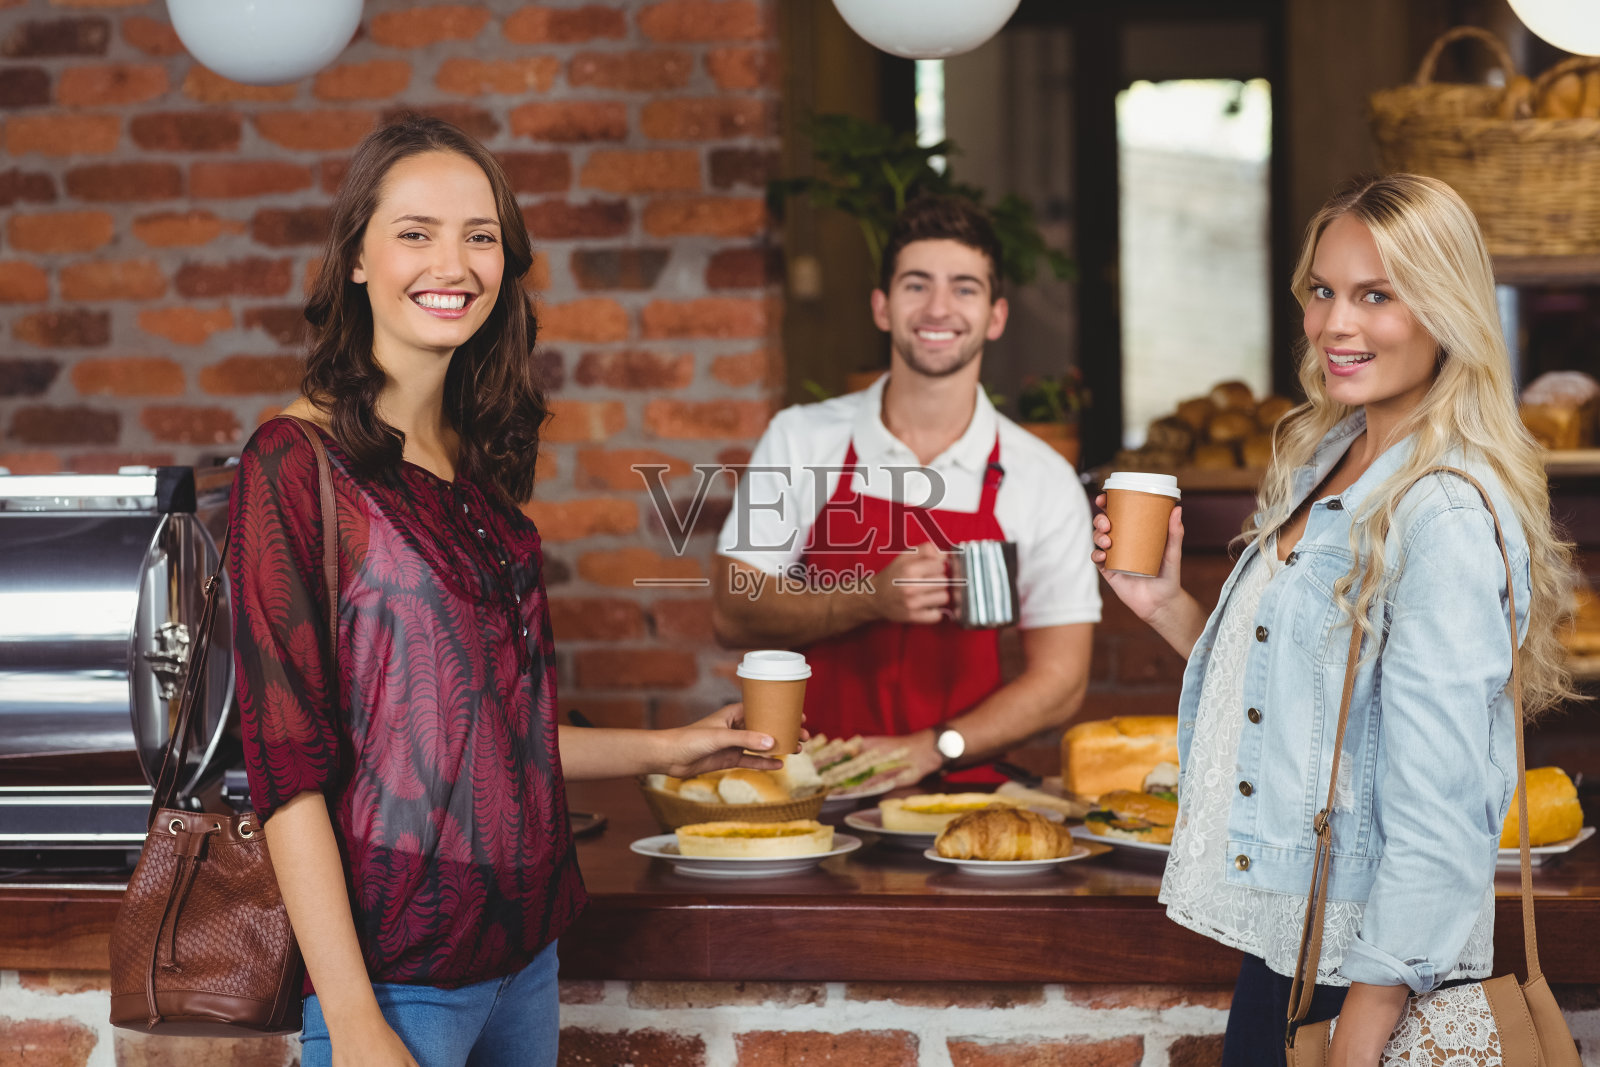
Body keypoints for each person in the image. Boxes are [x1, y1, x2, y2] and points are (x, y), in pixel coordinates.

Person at [229, 115, 789, 1067]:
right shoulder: (294, 462)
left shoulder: (469, 458)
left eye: (479, 235)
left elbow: (487, 733)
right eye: (415, 232)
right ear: (356, 258)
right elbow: (289, 774)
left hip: (525, 958)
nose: (453, 264)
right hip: (399, 977)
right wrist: (354, 1019)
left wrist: (671, 747)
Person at [1092, 173, 1576, 1066]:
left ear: (1446, 310)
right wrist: (1167, 606)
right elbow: (1305, 698)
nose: (1335, 324)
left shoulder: (1443, 511)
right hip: (1295, 950)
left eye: (1376, 296)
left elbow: (1440, 808)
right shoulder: (1331, 452)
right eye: (1322, 291)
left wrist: (1361, 1028)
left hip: (1367, 973)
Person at [712, 195, 1100, 783]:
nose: (938, 307)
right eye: (916, 285)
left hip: (958, 799)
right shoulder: (802, 439)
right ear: (882, 307)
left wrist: (931, 748)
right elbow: (731, 612)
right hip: (807, 787)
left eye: (964, 288)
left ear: (995, 316)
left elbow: (1062, 680)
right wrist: (867, 598)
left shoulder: (1042, 477)